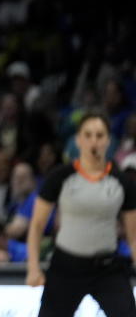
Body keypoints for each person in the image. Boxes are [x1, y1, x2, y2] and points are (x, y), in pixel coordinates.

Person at [26, 112, 136, 316]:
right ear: (78, 140)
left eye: (100, 135)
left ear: (108, 140)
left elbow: (133, 235)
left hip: (107, 268)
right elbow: (37, 225)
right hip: (66, 267)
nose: (94, 140)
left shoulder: (122, 181)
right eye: (88, 134)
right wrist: (33, 267)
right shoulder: (60, 177)